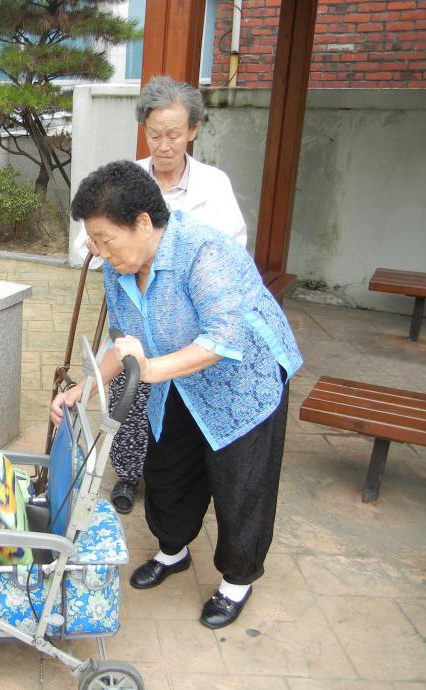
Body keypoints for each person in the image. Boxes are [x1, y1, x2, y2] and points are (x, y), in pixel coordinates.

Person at [52, 161, 302, 629]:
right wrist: (84, 389)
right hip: (178, 378)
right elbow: (122, 339)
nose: (99, 251)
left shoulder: (206, 253)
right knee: (167, 470)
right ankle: (173, 551)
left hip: (243, 385)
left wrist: (150, 369)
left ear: (143, 223)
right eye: (95, 241)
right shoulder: (121, 264)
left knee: (240, 483)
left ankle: (237, 581)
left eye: (105, 239)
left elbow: (221, 339)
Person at [74, 75, 248, 515]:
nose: (163, 144)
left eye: (173, 134)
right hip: (137, 301)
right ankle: (129, 473)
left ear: (193, 130)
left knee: (172, 394)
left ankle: (179, 480)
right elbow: (89, 240)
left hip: (191, 317)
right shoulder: (127, 180)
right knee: (130, 386)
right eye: (155, 134)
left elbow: (231, 252)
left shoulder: (214, 186)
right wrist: (101, 245)